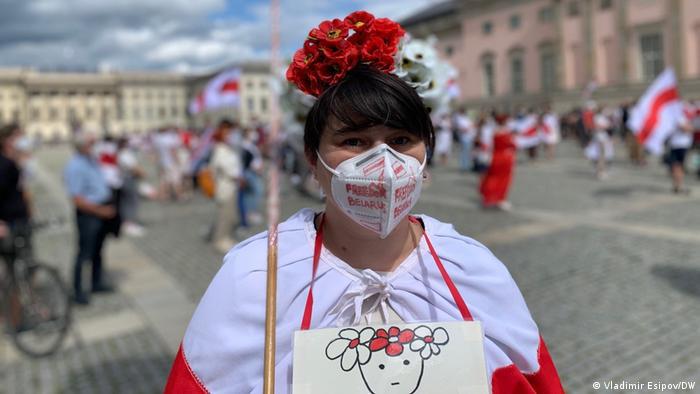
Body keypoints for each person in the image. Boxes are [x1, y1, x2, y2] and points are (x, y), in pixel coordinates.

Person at [164, 12, 563, 393]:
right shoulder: (258, 276)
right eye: (353, 141)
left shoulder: (473, 267)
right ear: (312, 159)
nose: (383, 162)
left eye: (401, 140)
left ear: (426, 156)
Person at [64, 132, 116, 305]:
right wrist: (100, 211)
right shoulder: (75, 166)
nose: (93, 147)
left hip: (101, 210)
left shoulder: (90, 160)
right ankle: (78, 291)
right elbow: (77, 199)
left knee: (97, 251)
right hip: (90, 214)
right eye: (90, 144)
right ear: (81, 146)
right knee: (84, 253)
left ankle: (96, 282)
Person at [209, 119, 242, 253]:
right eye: (227, 134)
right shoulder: (220, 150)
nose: (230, 136)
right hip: (225, 188)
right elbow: (227, 168)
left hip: (231, 187)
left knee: (230, 215)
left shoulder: (227, 149)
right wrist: (238, 177)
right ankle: (219, 240)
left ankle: (226, 237)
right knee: (224, 216)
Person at [0, 123, 31, 242]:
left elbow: (22, 189)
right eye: (17, 136)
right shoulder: (3, 164)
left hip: (20, 218)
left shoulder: (14, 163)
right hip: (7, 222)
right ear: (5, 140)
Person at [479, 113, 517, 210]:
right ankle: (500, 198)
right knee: (504, 179)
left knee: (492, 178)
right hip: (505, 158)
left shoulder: (493, 131)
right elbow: (513, 145)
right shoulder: (506, 133)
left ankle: (488, 197)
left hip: (495, 157)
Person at [667, 104, 695, 194]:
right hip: (680, 145)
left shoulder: (674, 117)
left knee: (677, 166)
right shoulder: (679, 117)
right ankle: (678, 186)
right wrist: (692, 127)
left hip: (677, 144)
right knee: (678, 166)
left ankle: (677, 185)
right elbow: (685, 129)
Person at [454, 107, 476, 172]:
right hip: (464, 138)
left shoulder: (466, 118)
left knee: (467, 153)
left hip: (469, 137)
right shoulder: (460, 119)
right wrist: (469, 127)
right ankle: (464, 166)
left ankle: (466, 165)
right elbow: (461, 129)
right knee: (464, 153)